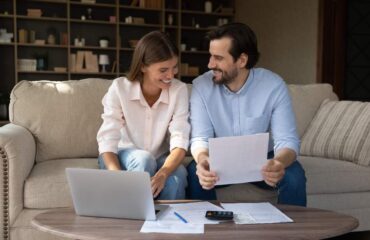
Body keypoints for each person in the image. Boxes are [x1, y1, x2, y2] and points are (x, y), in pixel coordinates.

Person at [186, 22, 307, 206]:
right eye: (211, 56)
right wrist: (203, 160)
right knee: (194, 172)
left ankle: (293, 234)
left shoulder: (273, 86)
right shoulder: (201, 86)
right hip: (218, 161)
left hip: (263, 162)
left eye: (218, 58)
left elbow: (287, 140)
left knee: (294, 176)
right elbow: (200, 138)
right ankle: (205, 233)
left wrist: (279, 163)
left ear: (242, 60)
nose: (210, 64)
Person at [97, 31, 190, 200]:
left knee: (178, 174)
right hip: (120, 154)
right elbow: (107, 141)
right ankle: (136, 219)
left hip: (159, 156)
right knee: (143, 159)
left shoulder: (179, 90)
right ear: (143, 66)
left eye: (174, 67)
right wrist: (118, 178)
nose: (171, 75)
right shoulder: (119, 89)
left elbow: (180, 139)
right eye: (163, 70)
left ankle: (170, 224)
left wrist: (163, 174)